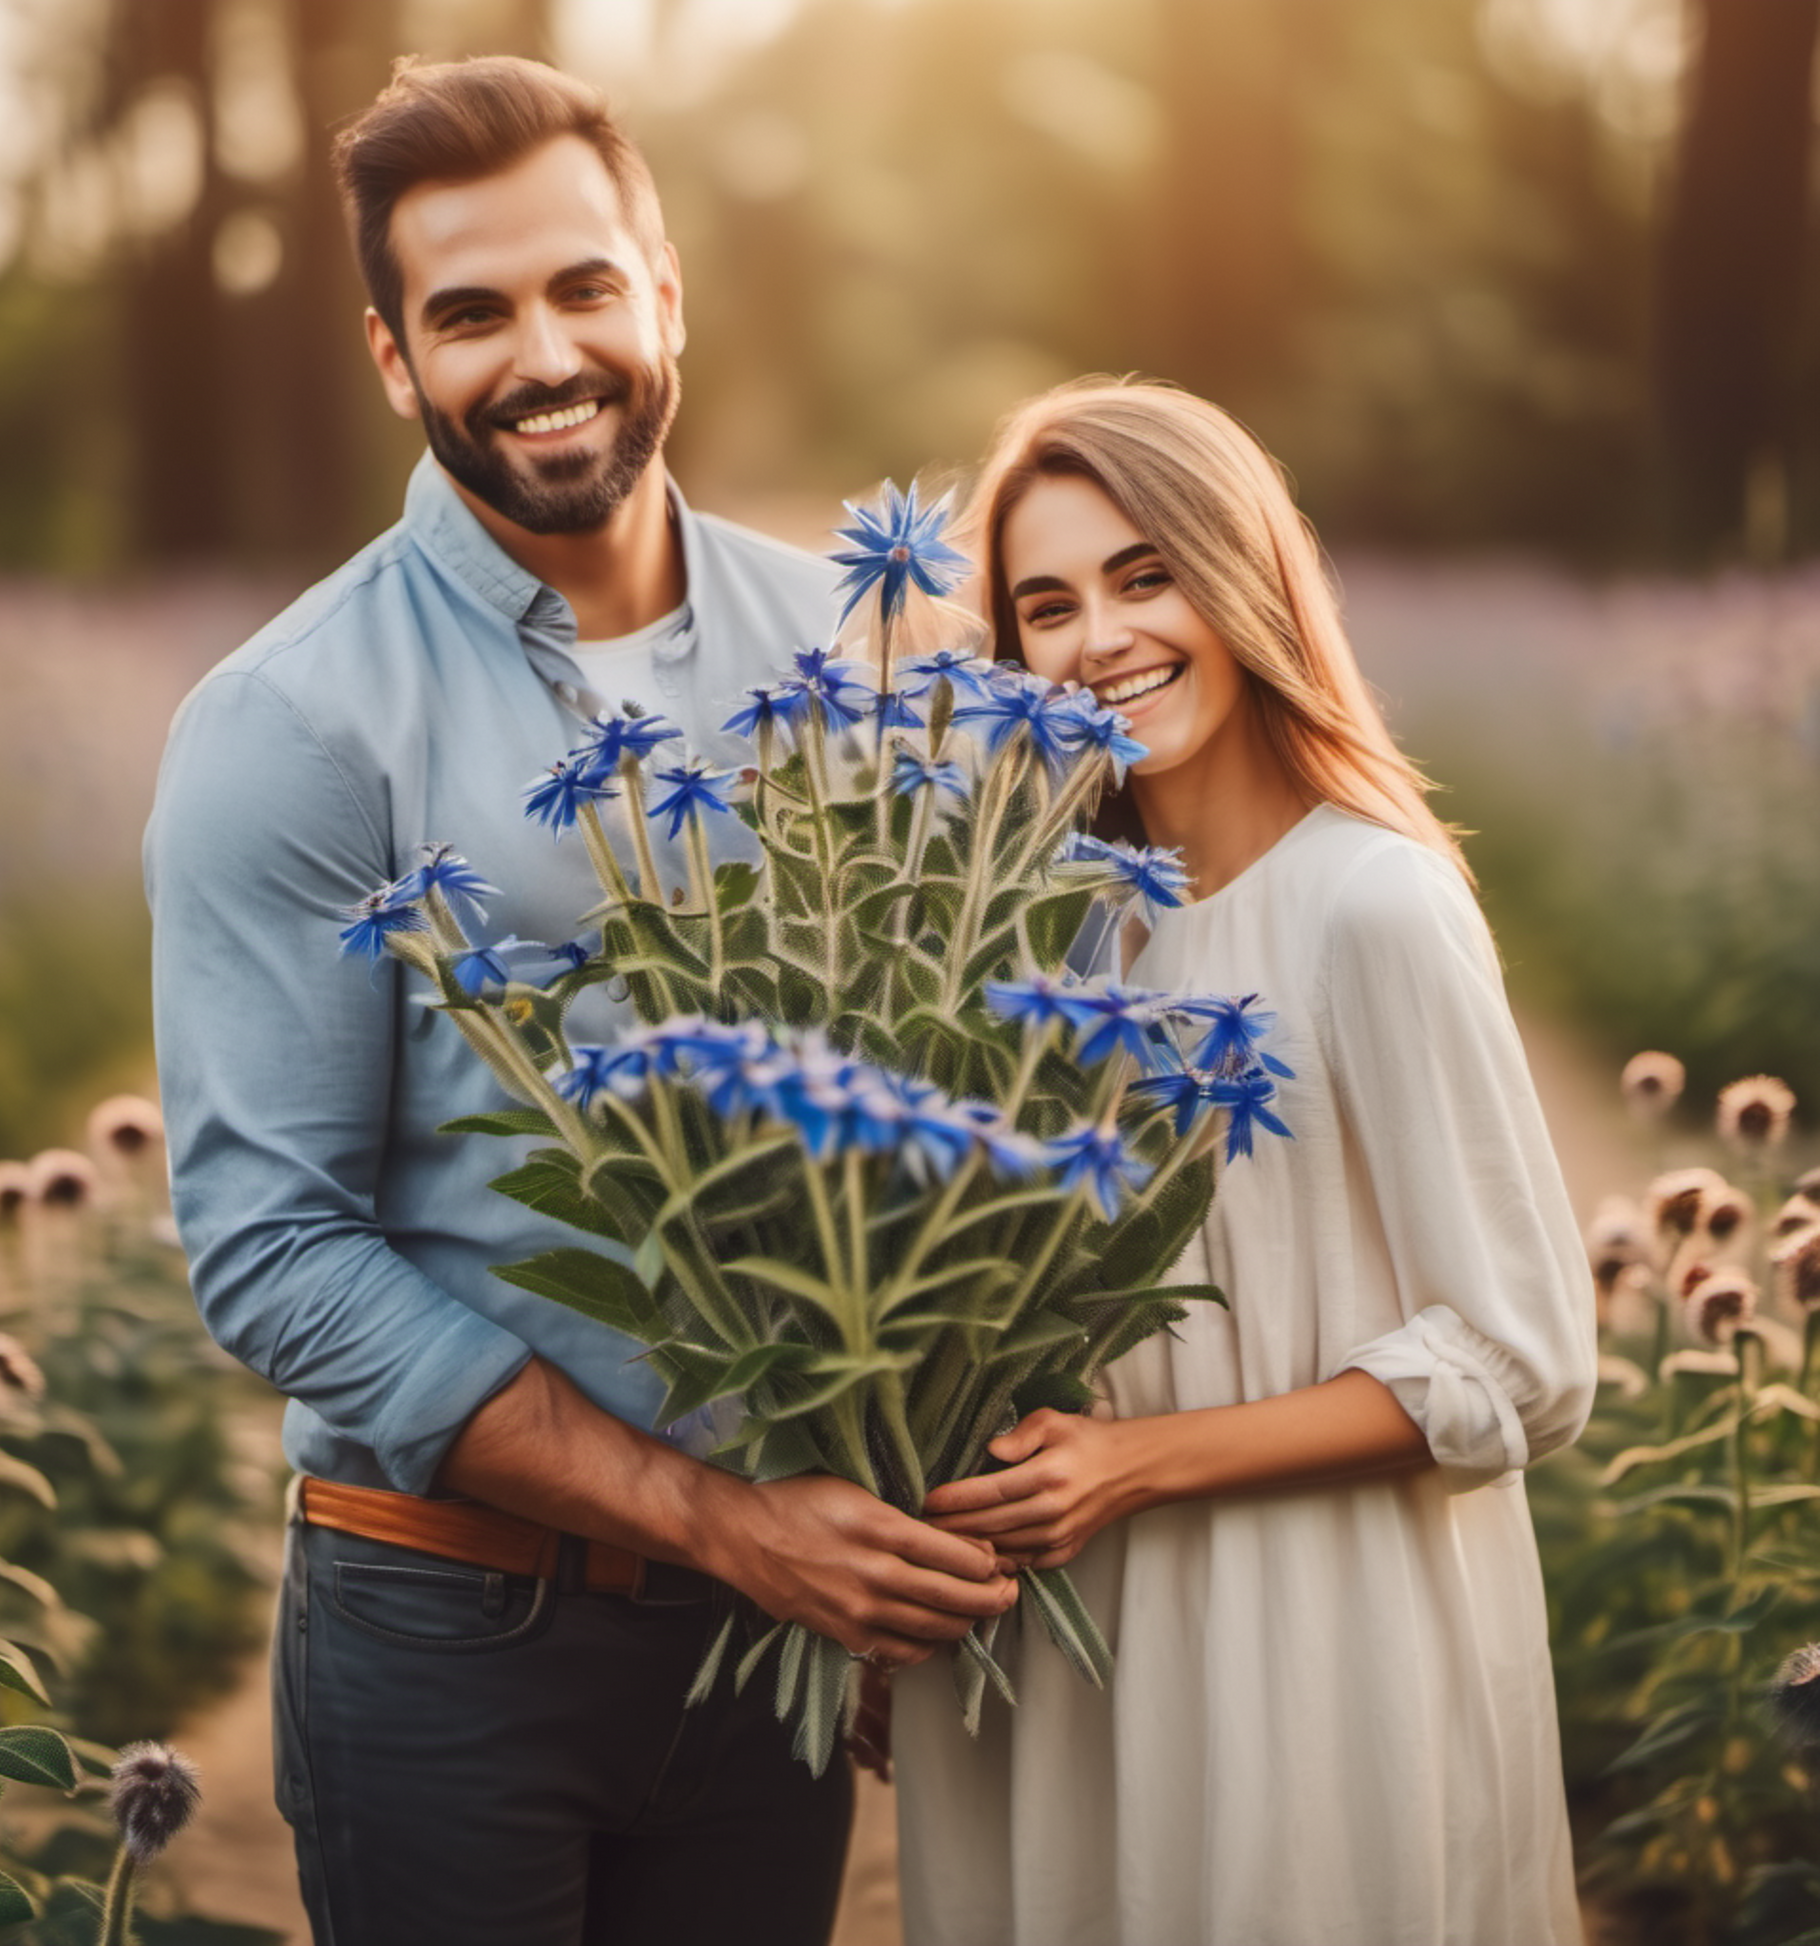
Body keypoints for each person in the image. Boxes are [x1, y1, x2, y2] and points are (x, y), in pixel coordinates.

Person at [143, 54, 1015, 1946]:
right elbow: (269, 1246)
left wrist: (884, 1501)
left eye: (580, 288)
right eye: (468, 313)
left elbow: (954, 1099)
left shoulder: (871, 658)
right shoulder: (292, 726)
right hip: (454, 1634)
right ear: (393, 358)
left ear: (664, 295)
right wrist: (723, 1519)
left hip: (763, 1651)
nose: (541, 354)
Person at [889, 378, 1597, 1946]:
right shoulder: (1049, 938)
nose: (1101, 639)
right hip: (1078, 1645)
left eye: (1147, 575)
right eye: (1048, 603)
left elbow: (1522, 1361)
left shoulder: (1371, 904)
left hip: (1312, 1638)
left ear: (1247, 575)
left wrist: (1132, 1464)